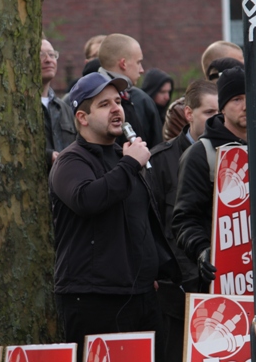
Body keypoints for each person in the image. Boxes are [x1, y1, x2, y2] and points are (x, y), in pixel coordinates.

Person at [49, 72, 180, 362]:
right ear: (82, 117)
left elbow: (143, 219)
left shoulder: (125, 157)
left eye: (118, 101)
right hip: (95, 298)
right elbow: (87, 199)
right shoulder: (73, 160)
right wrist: (130, 164)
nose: (116, 109)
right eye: (104, 104)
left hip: (141, 295)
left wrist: (153, 269)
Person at [148, 79, 218, 362]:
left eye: (220, 112)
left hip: (219, 284)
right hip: (176, 291)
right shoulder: (160, 161)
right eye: (209, 113)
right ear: (189, 114)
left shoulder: (233, 156)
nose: (218, 120)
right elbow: (153, 225)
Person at [173, 67, 248, 292]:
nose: (246, 105)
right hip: (224, 280)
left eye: (251, 98)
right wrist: (203, 249)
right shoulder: (201, 154)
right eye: (237, 99)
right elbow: (184, 219)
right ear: (222, 106)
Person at [98, 33, 163, 147]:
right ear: (123, 64)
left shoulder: (141, 99)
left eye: (117, 102)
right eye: (138, 62)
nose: (141, 70)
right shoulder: (91, 98)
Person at [40, 39, 76, 168]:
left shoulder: (65, 109)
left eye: (51, 54)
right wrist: (47, 156)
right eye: (41, 55)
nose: (48, 60)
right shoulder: (20, 108)